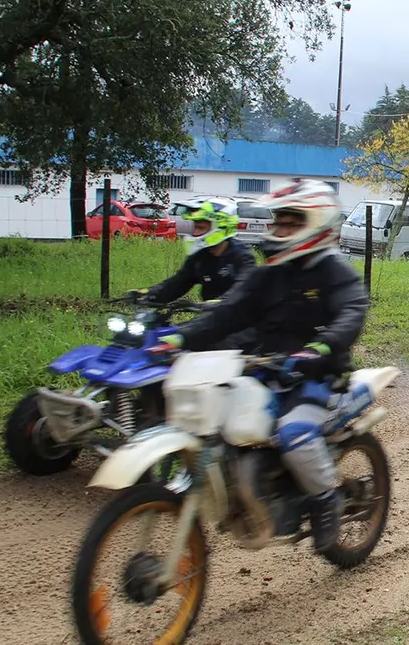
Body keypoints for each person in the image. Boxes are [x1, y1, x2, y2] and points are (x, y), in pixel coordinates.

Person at [150, 179, 367, 553]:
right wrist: (180, 338)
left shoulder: (335, 272)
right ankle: (247, 491)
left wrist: (320, 347)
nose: (279, 230)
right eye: (278, 222)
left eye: (290, 223)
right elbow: (228, 313)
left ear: (317, 223)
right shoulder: (266, 274)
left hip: (316, 375)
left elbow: (352, 312)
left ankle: (326, 500)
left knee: (294, 434)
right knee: (218, 422)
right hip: (262, 369)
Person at [131, 196, 256, 304]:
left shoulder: (242, 257)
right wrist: (148, 294)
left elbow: (243, 291)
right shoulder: (200, 258)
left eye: (200, 228)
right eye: (195, 227)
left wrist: (220, 303)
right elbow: (176, 284)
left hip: (241, 324)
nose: (195, 232)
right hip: (212, 321)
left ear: (221, 227)